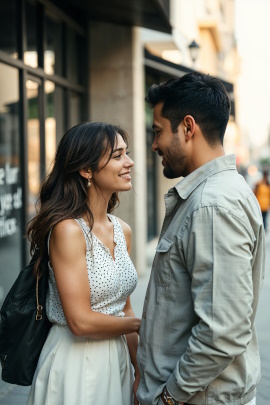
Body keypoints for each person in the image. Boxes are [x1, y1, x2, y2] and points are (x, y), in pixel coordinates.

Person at [136, 73, 265, 405]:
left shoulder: (212, 206)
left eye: (158, 131)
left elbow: (222, 332)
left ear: (188, 128)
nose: (154, 145)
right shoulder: (217, 195)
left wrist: (170, 396)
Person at [26, 122, 141, 405]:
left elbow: (124, 308)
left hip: (118, 360)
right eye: (117, 156)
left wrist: (140, 370)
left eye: (127, 154)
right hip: (77, 362)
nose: (130, 163)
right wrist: (143, 324)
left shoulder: (122, 230)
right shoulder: (68, 231)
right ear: (86, 170)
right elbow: (79, 321)